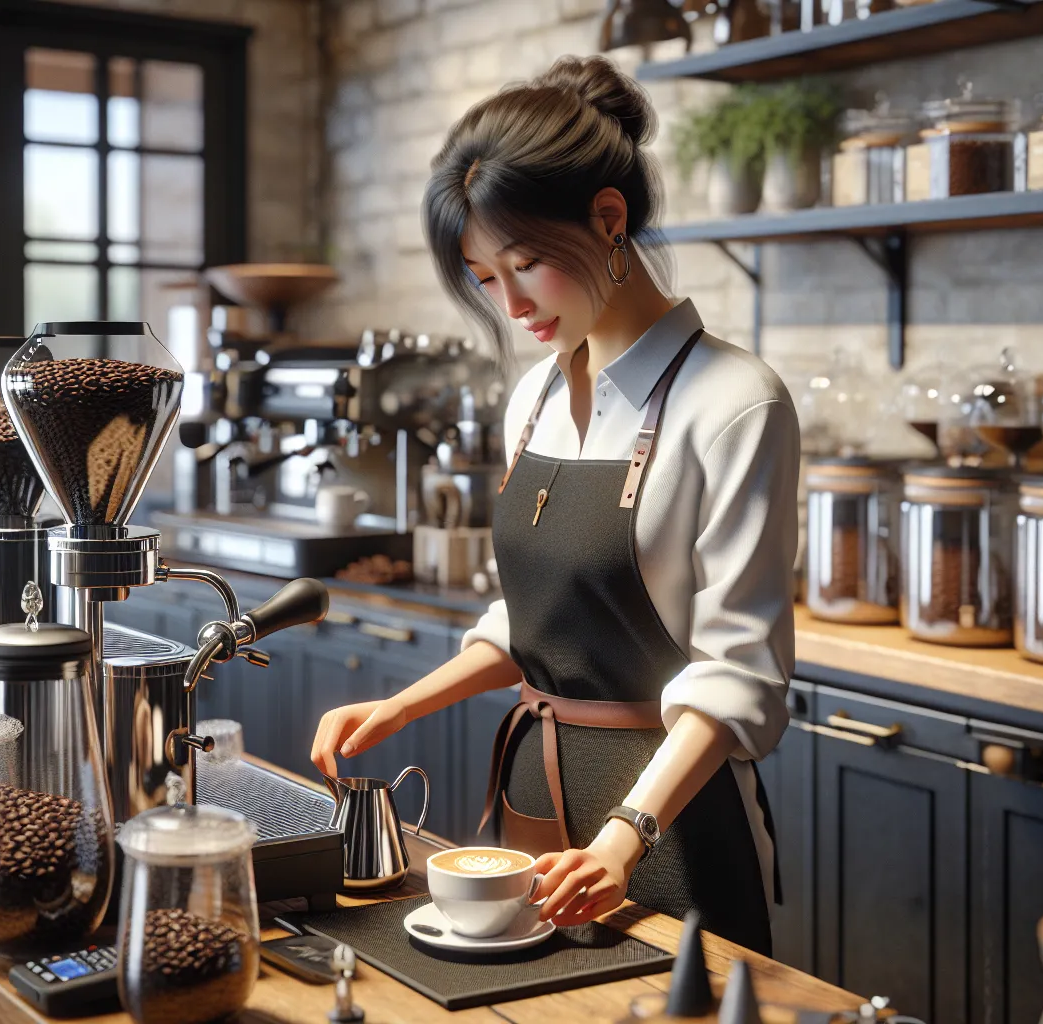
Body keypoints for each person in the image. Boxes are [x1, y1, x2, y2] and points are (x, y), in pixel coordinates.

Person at [310, 54, 797, 956]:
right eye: (484, 276)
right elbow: (535, 620)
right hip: (534, 812)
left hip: (665, 825)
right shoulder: (531, 395)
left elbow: (741, 676)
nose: (511, 302)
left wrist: (625, 837)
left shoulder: (734, 402)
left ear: (608, 219)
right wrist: (403, 706)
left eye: (527, 263)